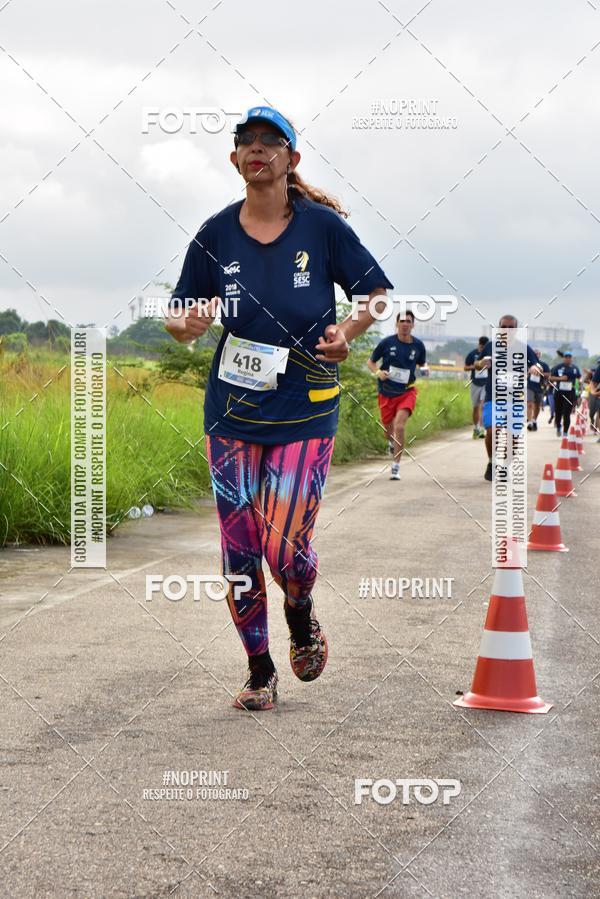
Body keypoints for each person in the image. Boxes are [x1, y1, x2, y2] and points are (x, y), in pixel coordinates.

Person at [165, 106, 393, 711]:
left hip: (306, 406)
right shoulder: (215, 234)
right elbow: (179, 315)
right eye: (247, 141)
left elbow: (375, 294)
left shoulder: (321, 228)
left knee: (284, 548)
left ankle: (300, 609)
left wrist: (348, 332)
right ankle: (260, 669)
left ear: (291, 159)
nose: (258, 148)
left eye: (271, 141)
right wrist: (186, 324)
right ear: (234, 158)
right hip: (231, 413)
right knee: (240, 551)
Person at [475, 315, 539, 481]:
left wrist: (534, 368)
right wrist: (483, 363)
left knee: (513, 437)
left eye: (511, 327)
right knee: (493, 430)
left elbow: (536, 364)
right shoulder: (490, 346)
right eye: (504, 327)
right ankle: (492, 462)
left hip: (515, 399)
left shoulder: (523, 348)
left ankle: (504, 466)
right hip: (493, 397)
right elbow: (477, 364)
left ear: (516, 329)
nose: (507, 330)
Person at [367, 310, 426, 480]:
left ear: (413, 325)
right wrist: (378, 372)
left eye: (408, 321)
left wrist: (425, 370)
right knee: (388, 430)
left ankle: (395, 466)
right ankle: (391, 442)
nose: (405, 324)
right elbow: (371, 362)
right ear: (397, 324)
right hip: (387, 392)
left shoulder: (418, 345)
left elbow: (422, 364)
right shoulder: (387, 343)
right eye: (402, 321)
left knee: (399, 426)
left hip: (407, 391)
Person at [549, 350, 581, 438]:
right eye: (566, 357)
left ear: (571, 358)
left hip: (570, 393)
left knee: (567, 413)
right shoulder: (558, 367)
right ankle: (558, 427)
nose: (568, 358)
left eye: (569, 357)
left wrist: (580, 383)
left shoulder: (575, 368)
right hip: (559, 393)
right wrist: (560, 379)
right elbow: (550, 378)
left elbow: (579, 378)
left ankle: (565, 433)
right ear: (563, 358)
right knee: (558, 412)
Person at [464, 336, 489, 438]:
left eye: (485, 347)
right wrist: (474, 366)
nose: (483, 349)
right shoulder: (472, 354)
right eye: (482, 347)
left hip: (486, 383)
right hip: (475, 383)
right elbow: (465, 367)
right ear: (479, 344)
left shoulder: (489, 355)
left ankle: (482, 429)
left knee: (483, 406)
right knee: (476, 407)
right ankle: (476, 428)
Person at [526, 348, 550, 431]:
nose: (536, 355)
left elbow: (548, 374)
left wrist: (540, 373)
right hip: (530, 386)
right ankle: (529, 422)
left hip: (540, 387)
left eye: (538, 354)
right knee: (529, 403)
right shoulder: (528, 363)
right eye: (535, 354)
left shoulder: (544, 365)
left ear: (540, 355)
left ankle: (534, 420)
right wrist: (528, 372)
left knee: (537, 405)